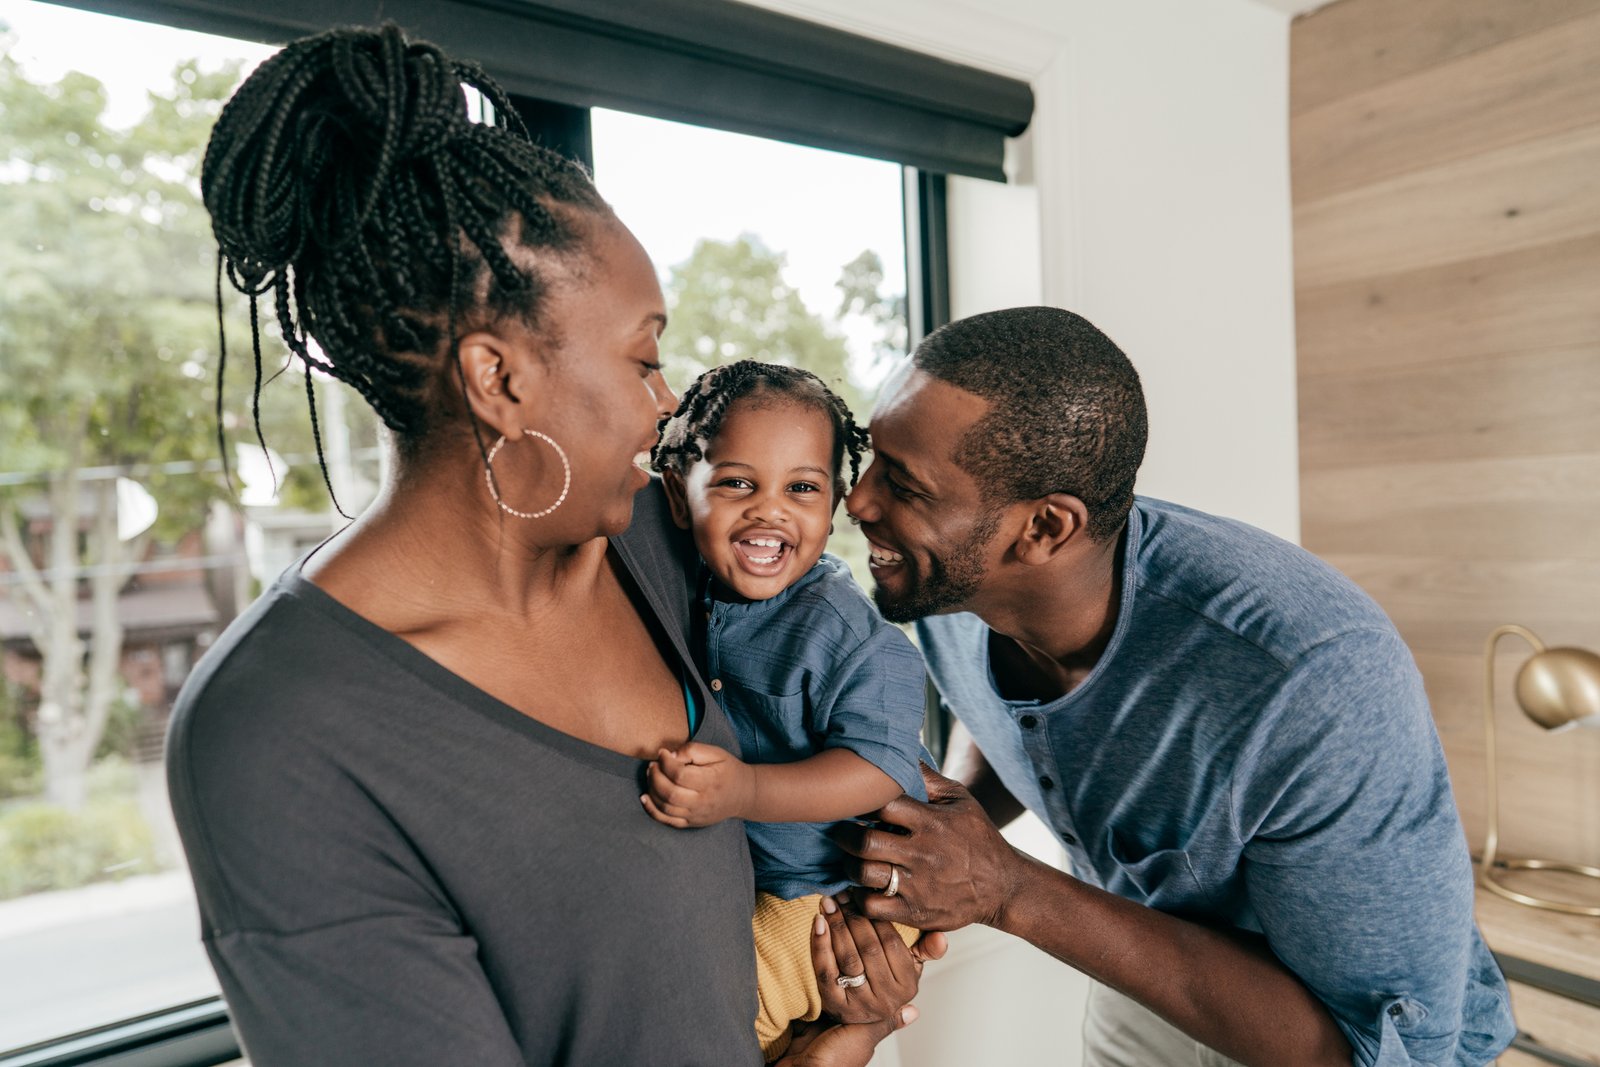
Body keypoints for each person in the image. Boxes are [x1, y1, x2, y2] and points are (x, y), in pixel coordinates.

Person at [167, 25, 927, 1067]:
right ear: (499, 380)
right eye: (645, 357)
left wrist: (860, 1001)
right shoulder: (280, 736)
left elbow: (863, 753)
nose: (664, 405)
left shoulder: (655, 545)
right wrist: (839, 1049)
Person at [832, 306, 1518, 1066]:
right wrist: (942, 820)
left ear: (1045, 529)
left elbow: (1368, 1048)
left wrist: (1003, 886)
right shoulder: (957, 585)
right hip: (1145, 962)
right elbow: (1014, 712)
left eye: (904, 485)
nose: (859, 501)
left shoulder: (1313, 678)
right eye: (873, 460)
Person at [644, 361, 929, 1060]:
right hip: (767, 880)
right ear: (681, 501)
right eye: (738, 482)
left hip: (833, 895)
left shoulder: (842, 631)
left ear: (831, 510)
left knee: (731, 1007)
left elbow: (876, 768)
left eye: (802, 488)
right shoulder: (693, 590)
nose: (770, 509)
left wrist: (744, 790)